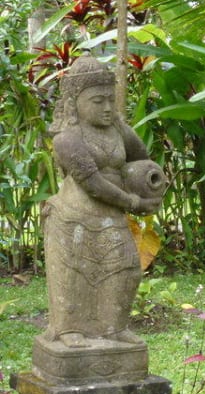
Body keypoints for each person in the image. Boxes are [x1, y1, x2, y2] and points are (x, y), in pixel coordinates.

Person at [43, 56, 164, 348]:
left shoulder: (117, 131)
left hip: (111, 216)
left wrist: (148, 183)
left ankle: (114, 327)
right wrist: (133, 202)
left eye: (111, 100)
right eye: (98, 101)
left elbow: (141, 157)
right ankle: (68, 329)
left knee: (126, 270)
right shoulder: (66, 139)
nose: (108, 107)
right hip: (73, 216)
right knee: (73, 276)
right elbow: (93, 184)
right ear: (74, 103)